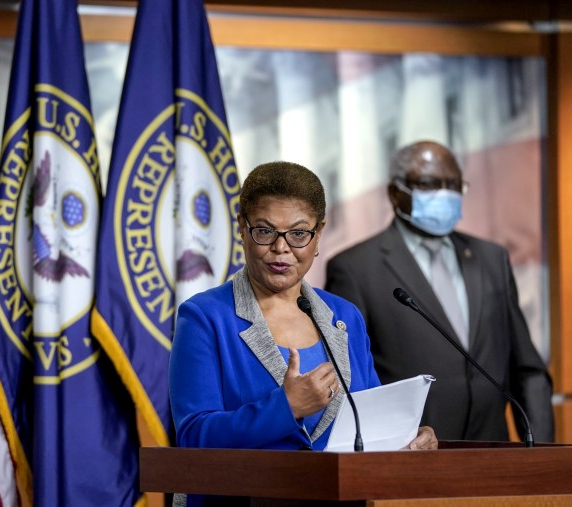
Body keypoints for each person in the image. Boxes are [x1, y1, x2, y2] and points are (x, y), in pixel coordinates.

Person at [169, 161, 437, 458]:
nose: (281, 248)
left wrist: (408, 437)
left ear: (318, 234)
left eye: (298, 234)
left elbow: (371, 424)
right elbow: (193, 436)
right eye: (264, 231)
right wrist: (285, 408)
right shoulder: (204, 317)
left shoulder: (344, 317)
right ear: (242, 229)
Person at [325, 140, 554, 443]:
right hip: (410, 455)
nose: (444, 194)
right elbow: (349, 378)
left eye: (453, 185)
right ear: (395, 193)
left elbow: (527, 369)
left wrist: (540, 453)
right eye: (430, 184)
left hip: (492, 452)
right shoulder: (355, 268)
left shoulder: (491, 259)